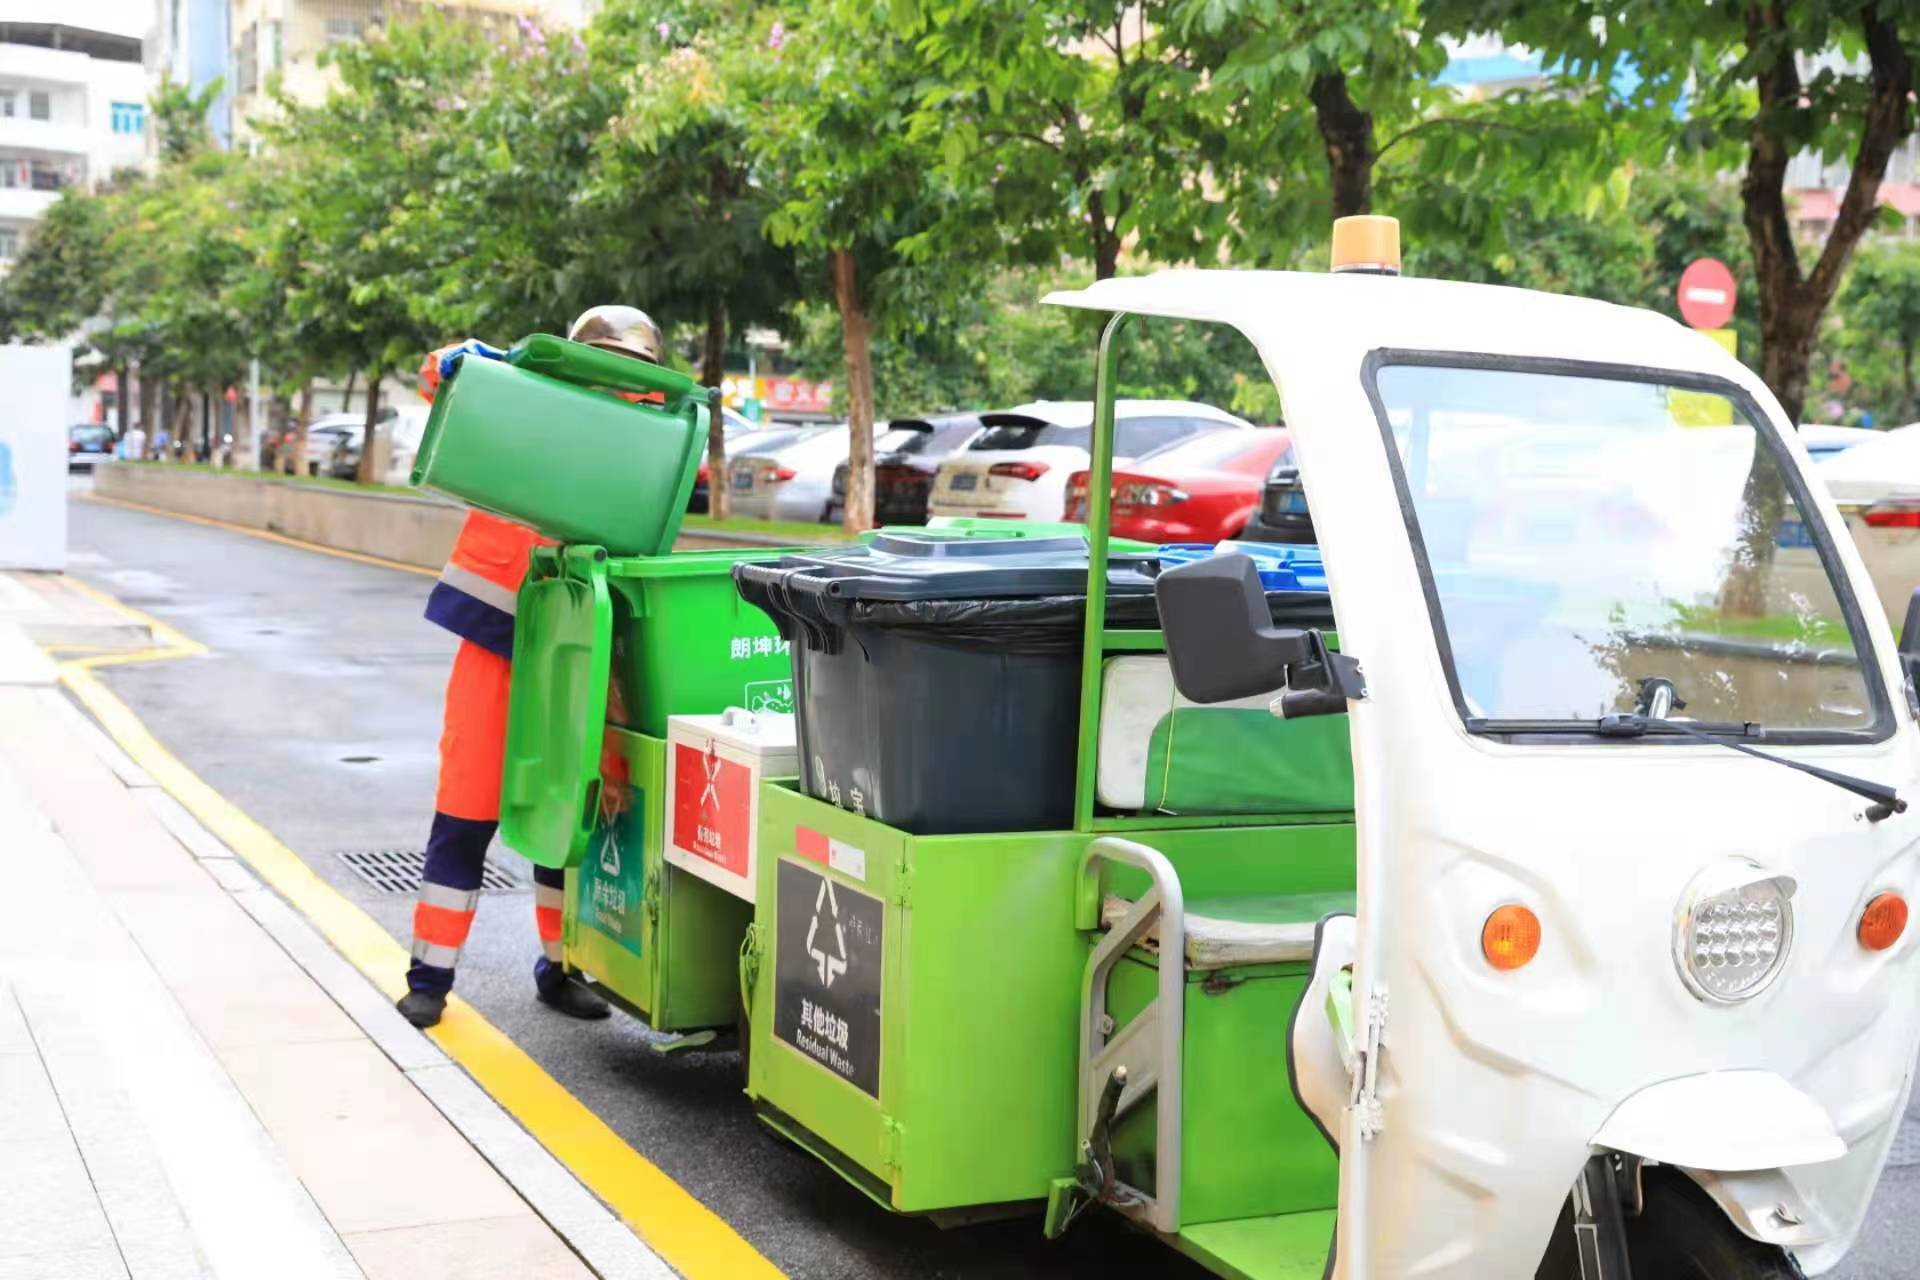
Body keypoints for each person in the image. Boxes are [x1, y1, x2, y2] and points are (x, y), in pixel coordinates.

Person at [396, 304, 666, 1030]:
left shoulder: (655, 429)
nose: (620, 383)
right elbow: (445, 379)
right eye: (607, 363)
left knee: (566, 815)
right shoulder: (533, 395)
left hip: (580, 649)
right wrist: (480, 356)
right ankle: (430, 976)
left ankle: (560, 967)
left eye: (633, 369)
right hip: (494, 637)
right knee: (466, 808)